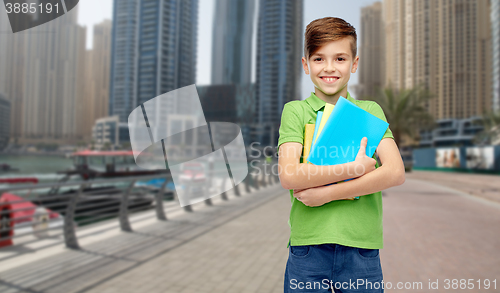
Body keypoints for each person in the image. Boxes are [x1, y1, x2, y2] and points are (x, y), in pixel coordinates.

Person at [277, 17, 406, 292]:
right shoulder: (296, 111)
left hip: (361, 249)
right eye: (319, 59)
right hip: (308, 247)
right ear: (306, 65)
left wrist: (324, 194)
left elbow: (394, 172)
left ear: (354, 64)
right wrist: (356, 168)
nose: (329, 68)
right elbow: (289, 176)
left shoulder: (369, 110)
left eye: (340, 58)